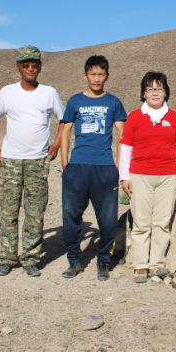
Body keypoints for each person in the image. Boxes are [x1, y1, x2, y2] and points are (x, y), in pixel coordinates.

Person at [0, 45, 65, 278]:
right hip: (11, 160)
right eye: (26, 64)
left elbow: (64, 119)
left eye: (35, 64)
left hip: (37, 161)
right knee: (9, 211)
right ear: (18, 67)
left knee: (34, 211)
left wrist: (56, 144)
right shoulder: (7, 92)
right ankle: (8, 258)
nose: (31, 68)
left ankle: (31, 258)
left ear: (40, 66)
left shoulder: (49, 93)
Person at [119, 72, 176, 284]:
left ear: (166, 92)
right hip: (140, 174)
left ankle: (157, 265)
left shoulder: (175, 117)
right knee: (141, 222)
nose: (154, 93)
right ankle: (140, 266)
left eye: (159, 89)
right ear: (143, 93)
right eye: (150, 89)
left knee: (161, 222)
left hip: (168, 176)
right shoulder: (134, 117)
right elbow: (126, 148)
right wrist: (124, 176)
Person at [58, 55, 127, 281]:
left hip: (104, 168)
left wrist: (118, 166)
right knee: (71, 217)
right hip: (77, 166)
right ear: (85, 75)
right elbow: (65, 131)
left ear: (107, 76)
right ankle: (74, 260)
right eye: (92, 74)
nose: (96, 78)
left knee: (107, 220)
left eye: (101, 74)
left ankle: (103, 262)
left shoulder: (114, 103)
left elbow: (122, 136)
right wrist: (65, 162)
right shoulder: (75, 101)